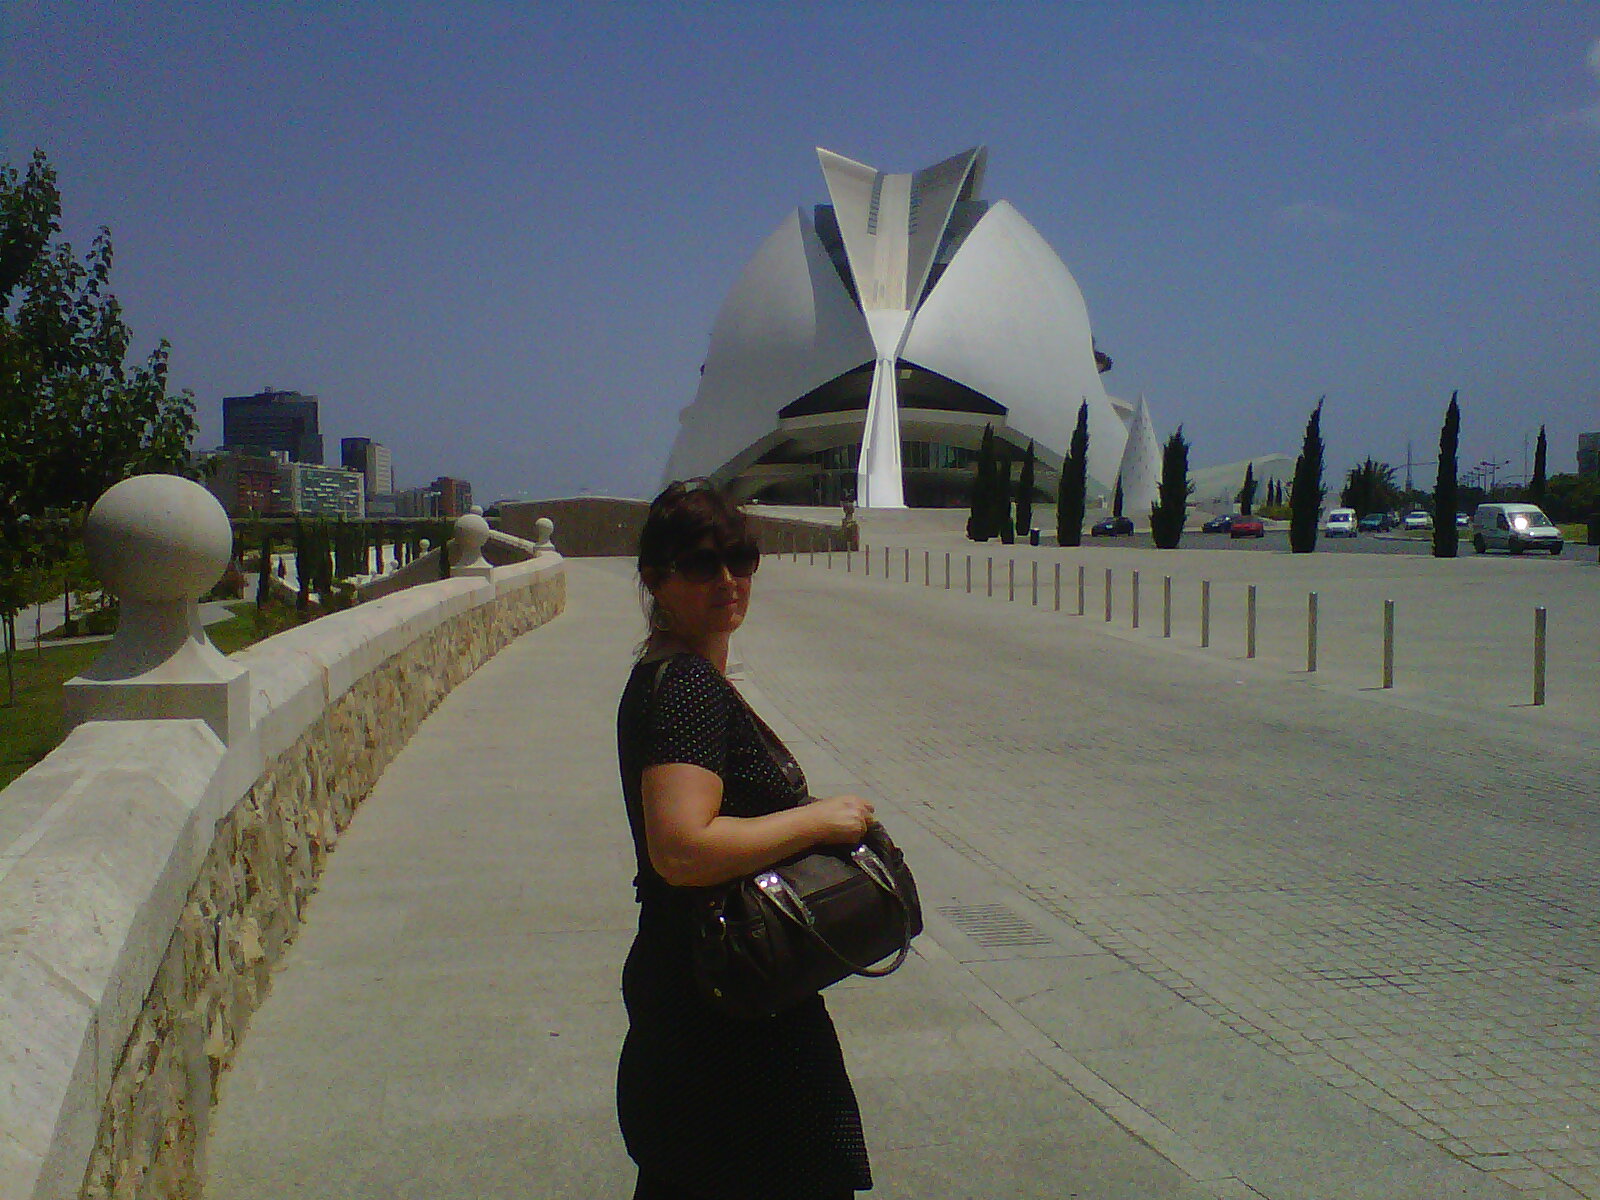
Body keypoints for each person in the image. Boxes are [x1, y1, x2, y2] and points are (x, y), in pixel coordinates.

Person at [616, 480, 877, 1200]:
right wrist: (821, 820)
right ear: (656, 580)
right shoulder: (687, 687)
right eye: (702, 564)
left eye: (741, 559)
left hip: (704, 993)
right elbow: (682, 848)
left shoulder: (667, 676)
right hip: (727, 1012)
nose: (728, 579)